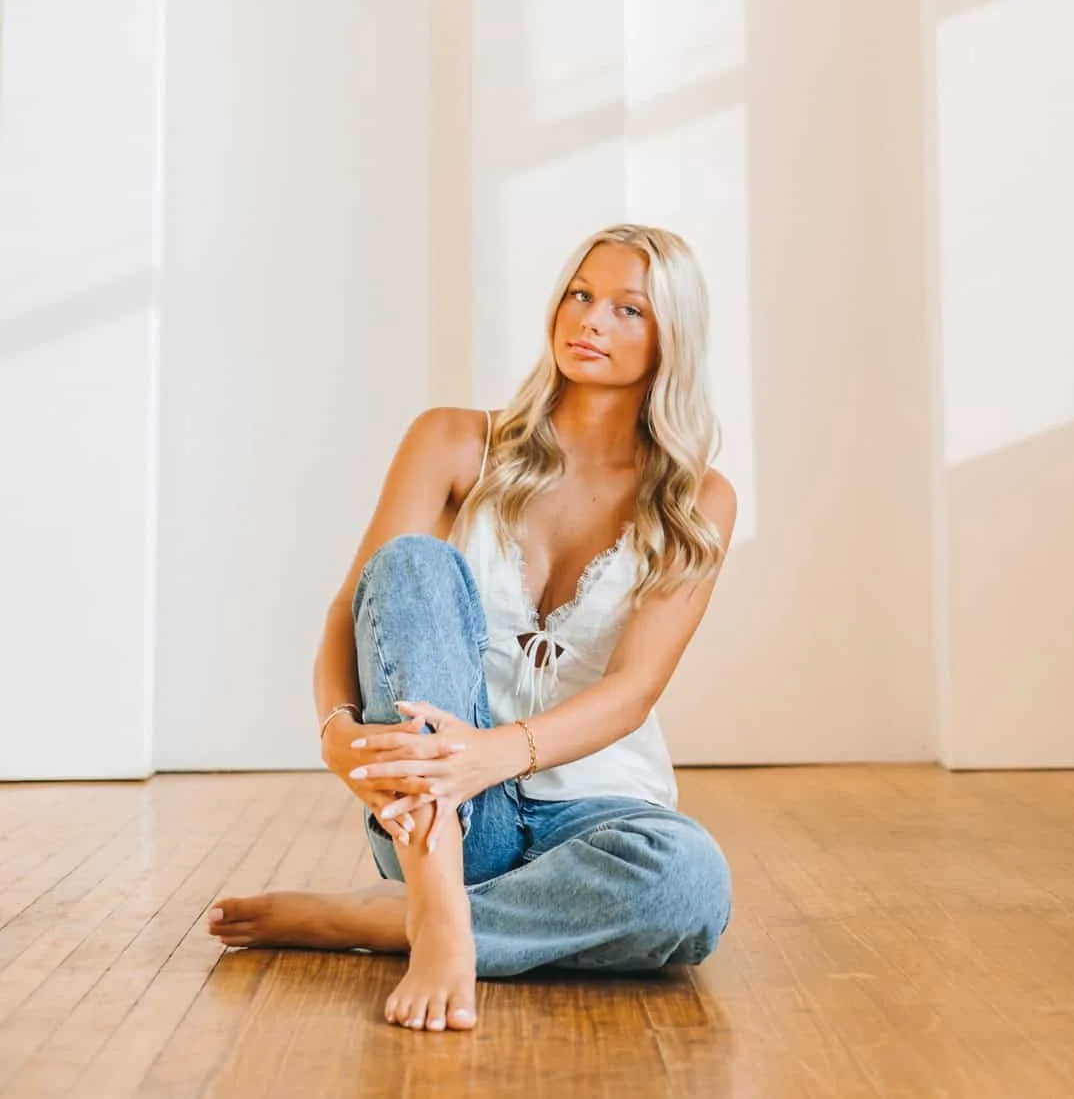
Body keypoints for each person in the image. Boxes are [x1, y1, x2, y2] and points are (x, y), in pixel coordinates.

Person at [207, 222, 737, 1033]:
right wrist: (334, 730)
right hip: (441, 811)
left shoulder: (697, 498)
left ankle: (384, 921)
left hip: (596, 812)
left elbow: (634, 691)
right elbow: (358, 609)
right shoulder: (455, 440)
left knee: (690, 885)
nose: (590, 321)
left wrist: (491, 754)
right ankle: (441, 907)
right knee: (414, 562)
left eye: (628, 310)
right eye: (580, 295)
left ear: (673, 336)